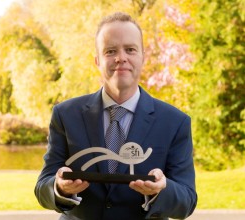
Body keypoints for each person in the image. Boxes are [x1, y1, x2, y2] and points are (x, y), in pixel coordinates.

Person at [35, 12, 197, 220]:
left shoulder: (175, 122)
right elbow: (42, 187)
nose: (121, 58)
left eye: (130, 49)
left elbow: (187, 201)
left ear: (142, 57)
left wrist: (161, 190)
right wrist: (60, 188)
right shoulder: (65, 115)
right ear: (97, 61)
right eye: (110, 51)